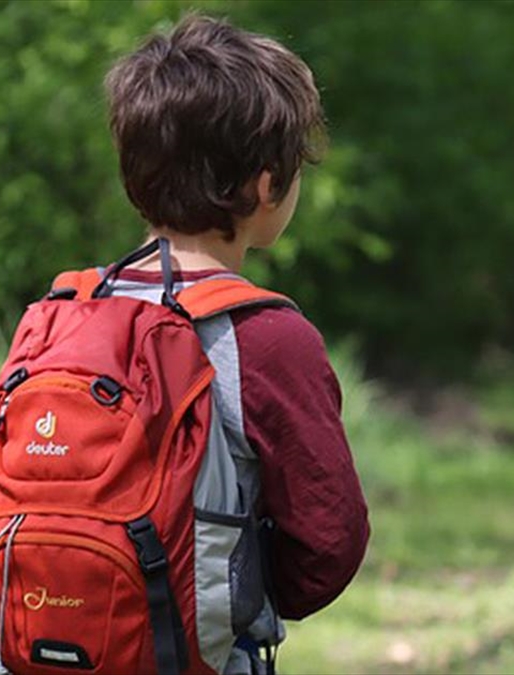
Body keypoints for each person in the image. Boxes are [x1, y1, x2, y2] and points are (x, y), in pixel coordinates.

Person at [101, 9, 370, 653]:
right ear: (267, 184)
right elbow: (328, 545)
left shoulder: (64, 314)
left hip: (34, 644)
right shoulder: (265, 337)